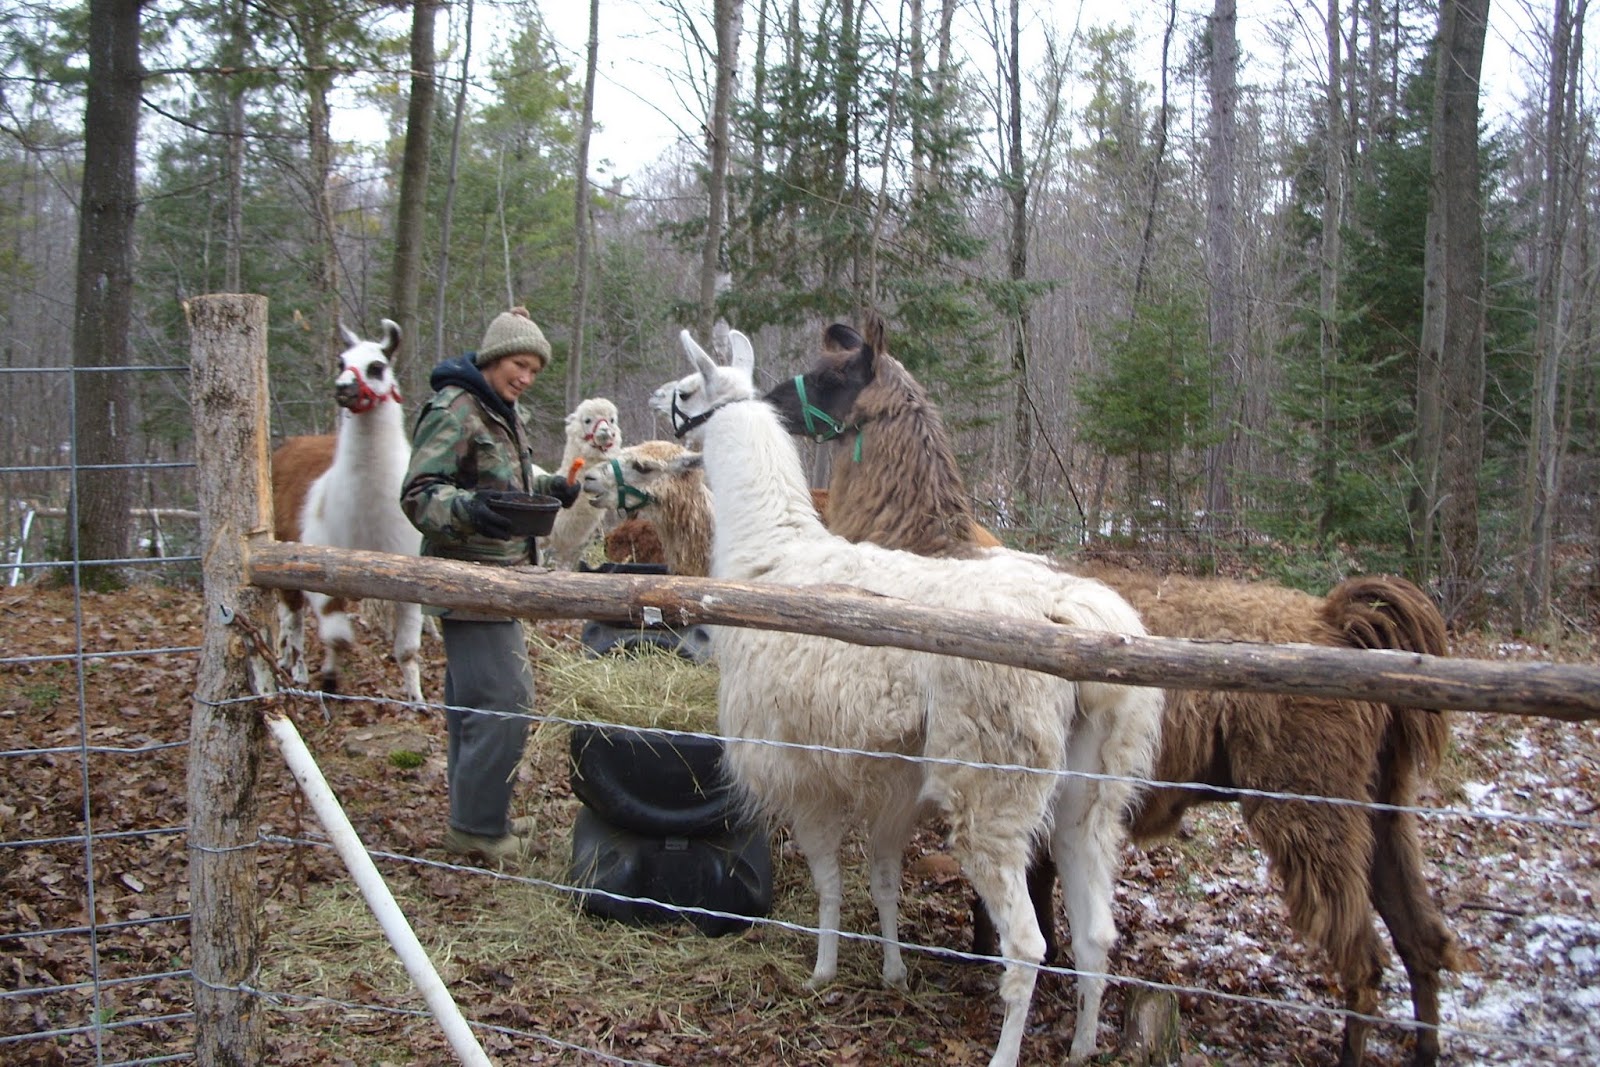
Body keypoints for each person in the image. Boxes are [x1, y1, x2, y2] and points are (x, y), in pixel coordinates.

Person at [400, 307, 581, 864]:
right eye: (519, 365)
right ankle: (478, 828)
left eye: (533, 370)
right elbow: (420, 493)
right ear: (494, 358)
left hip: (497, 579)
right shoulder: (455, 408)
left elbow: (504, 481)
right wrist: (471, 512)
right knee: (506, 698)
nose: (525, 378)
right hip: (468, 580)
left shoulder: (499, 410)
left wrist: (554, 486)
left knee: (473, 701)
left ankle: (476, 817)